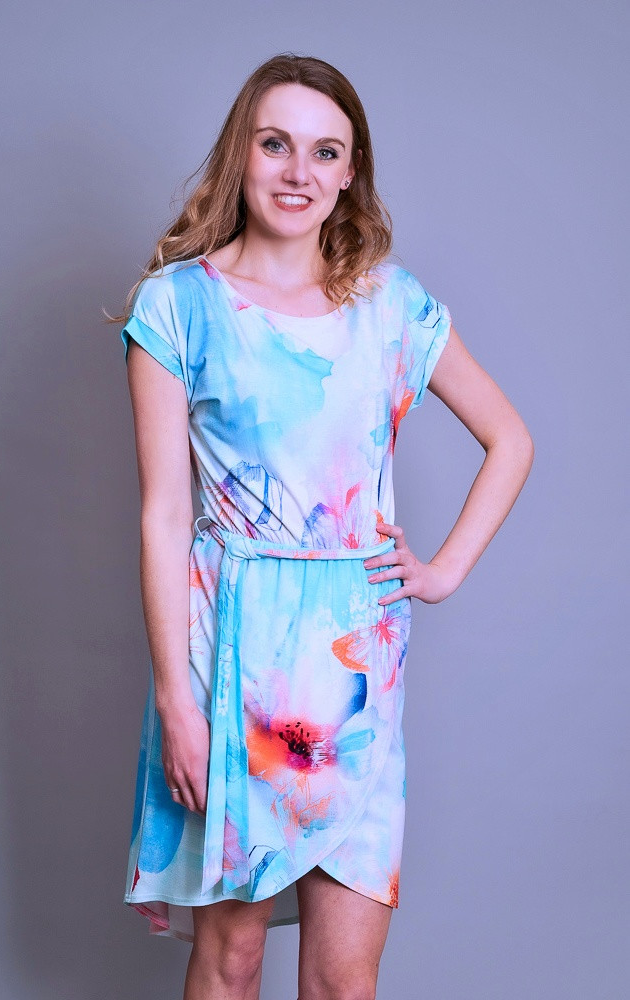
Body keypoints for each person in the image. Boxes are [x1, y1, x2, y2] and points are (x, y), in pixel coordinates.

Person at [109, 52, 534, 1000]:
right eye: (276, 144)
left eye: (325, 151)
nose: (298, 171)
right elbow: (163, 514)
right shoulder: (179, 305)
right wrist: (176, 701)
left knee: (346, 980)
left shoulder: (391, 305)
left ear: (350, 172)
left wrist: (442, 571)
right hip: (230, 657)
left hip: (356, 668)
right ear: (242, 155)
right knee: (232, 960)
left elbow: (510, 439)